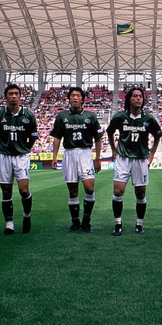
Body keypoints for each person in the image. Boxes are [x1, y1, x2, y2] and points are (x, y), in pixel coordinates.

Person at [106, 86, 162, 236]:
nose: (138, 98)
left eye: (140, 96)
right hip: (123, 158)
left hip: (140, 159)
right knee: (118, 191)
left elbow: (158, 136)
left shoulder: (148, 119)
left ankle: (139, 223)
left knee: (140, 193)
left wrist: (152, 154)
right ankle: (118, 223)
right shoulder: (120, 117)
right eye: (135, 96)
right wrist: (113, 150)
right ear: (129, 99)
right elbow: (109, 132)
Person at [51, 87, 104, 233]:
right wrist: (54, 156)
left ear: (82, 99)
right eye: (73, 95)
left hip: (85, 153)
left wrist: (97, 159)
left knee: (89, 188)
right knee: (73, 191)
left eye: (78, 95)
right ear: (69, 98)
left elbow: (98, 139)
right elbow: (57, 137)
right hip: (69, 154)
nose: (75, 98)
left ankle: (86, 222)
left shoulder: (90, 116)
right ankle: (75, 223)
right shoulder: (62, 116)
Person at [0, 84, 38, 235]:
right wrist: (2, 147)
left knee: (23, 190)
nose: (14, 96)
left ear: (20, 96)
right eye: (11, 93)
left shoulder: (28, 115)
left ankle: (27, 216)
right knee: (6, 192)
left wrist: (27, 148)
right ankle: (9, 225)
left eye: (16, 93)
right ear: (6, 96)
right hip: (4, 156)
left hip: (21, 156)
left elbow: (33, 136)